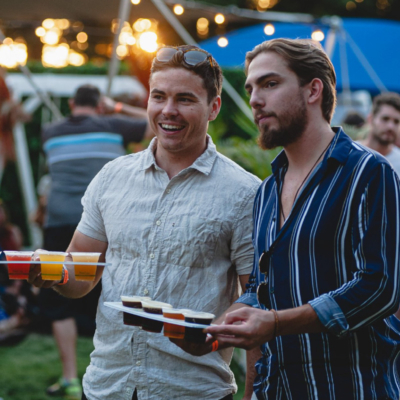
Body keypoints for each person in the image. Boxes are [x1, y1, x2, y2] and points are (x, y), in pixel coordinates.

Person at [29, 45, 261, 400]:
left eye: (185, 99)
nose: (168, 111)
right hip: (108, 385)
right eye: (159, 96)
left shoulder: (244, 193)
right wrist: (51, 271)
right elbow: (81, 272)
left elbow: (256, 300)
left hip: (192, 391)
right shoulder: (112, 177)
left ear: (213, 107)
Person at [202, 39, 400, 399]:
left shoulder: (369, 173)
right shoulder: (265, 192)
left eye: (270, 84)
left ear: (313, 90)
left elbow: (380, 287)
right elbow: (264, 285)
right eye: (251, 88)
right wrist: (231, 319)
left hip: (351, 387)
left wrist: (276, 323)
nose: (255, 100)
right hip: (277, 388)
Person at [39, 84, 152, 400]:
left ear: (73, 103)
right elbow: (156, 123)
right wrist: (116, 108)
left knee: (59, 299)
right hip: (105, 223)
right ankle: (117, 370)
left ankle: (70, 378)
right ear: (98, 104)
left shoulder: (49, 132)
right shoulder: (114, 125)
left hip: (59, 220)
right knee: (113, 293)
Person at [358, 92, 400, 175]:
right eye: (385, 119)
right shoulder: (350, 153)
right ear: (371, 119)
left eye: (396, 121)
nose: (390, 126)